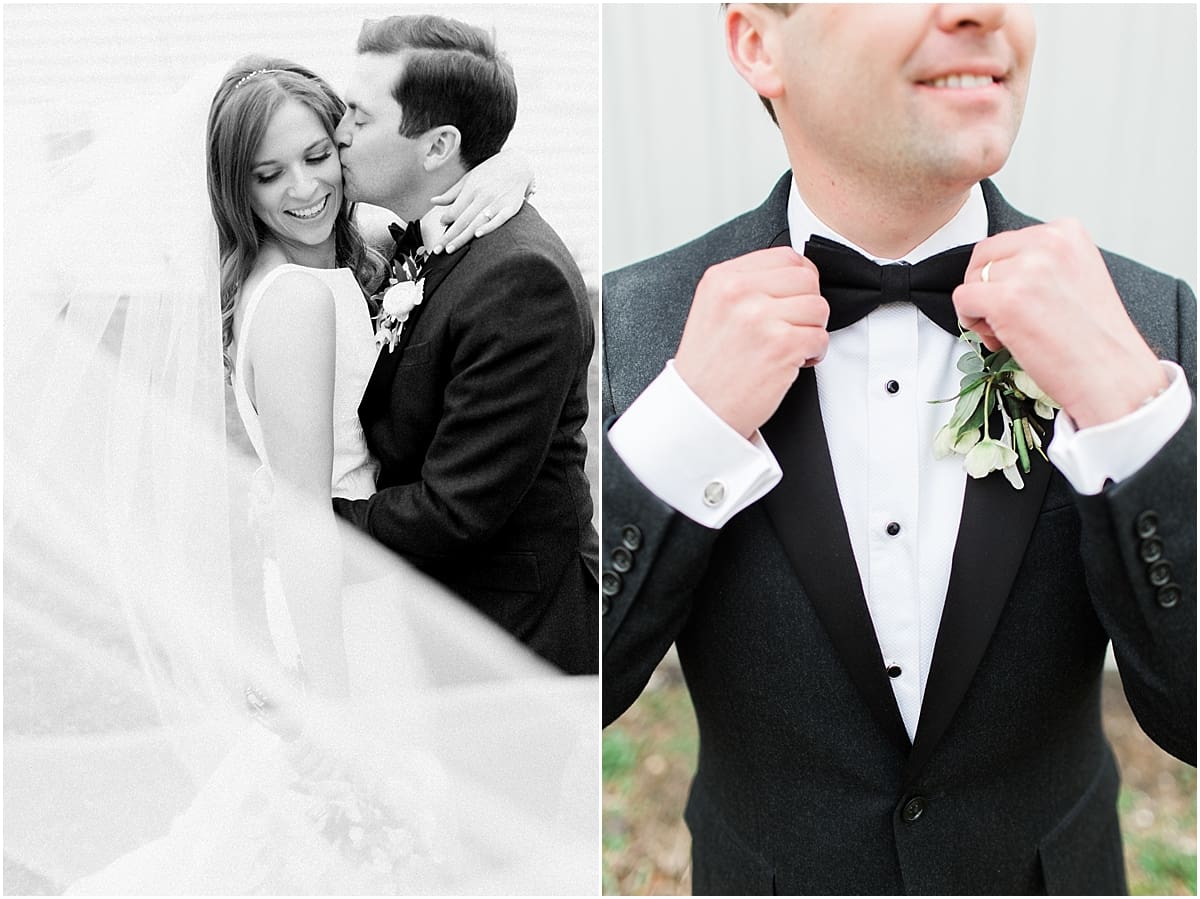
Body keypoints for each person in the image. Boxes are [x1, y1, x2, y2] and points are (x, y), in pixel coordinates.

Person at [601, 4, 1195, 895]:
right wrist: (686, 428)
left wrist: (1129, 415)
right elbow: (567, 699)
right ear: (760, 45)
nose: (981, 10)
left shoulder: (1147, 322)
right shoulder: (636, 325)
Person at [5, 50, 597, 895]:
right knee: (374, 829)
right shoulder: (293, 303)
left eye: (320, 156)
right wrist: (331, 696)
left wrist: (513, 168)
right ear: (233, 188)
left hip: (367, 580)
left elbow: (428, 205)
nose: (303, 190)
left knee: (406, 836)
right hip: (340, 599)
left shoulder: (349, 248)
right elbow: (298, 510)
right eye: (268, 175)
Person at [330, 14, 600, 676]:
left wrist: (311, 524)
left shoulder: (518, 279)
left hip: (513, 642)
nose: (338, 135)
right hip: (435, 616)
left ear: (436, 146)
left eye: (360, 119)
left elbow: (456, 509)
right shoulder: (424, 233)